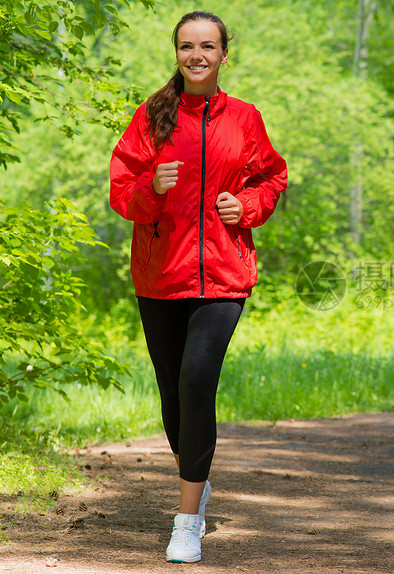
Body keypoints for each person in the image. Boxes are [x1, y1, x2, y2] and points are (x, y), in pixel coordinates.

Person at [109, 11, 287, 563]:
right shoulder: (153, 117)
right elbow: (122, 190)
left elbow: (271, 176)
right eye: (188, 46)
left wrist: (248, 207)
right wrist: (152, 188)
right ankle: (196, 475)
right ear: (177, 54)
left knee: (195, 379)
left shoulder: (244, 119)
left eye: (207, 46)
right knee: (170, 395)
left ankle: (188, 518)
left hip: (223, 276)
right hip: (161, 274)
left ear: (223, 54)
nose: (197, 55)